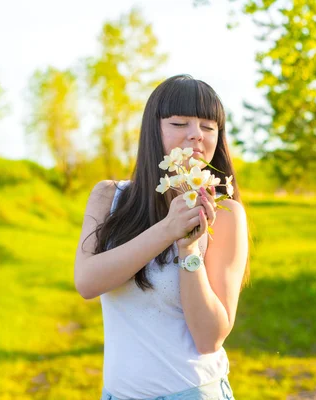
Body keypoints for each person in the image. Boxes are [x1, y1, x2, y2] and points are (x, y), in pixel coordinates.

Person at [74, 74, 249, 400]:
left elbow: (209, 338)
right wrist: (167, 230)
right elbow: (87, 282)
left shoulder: (226, 216)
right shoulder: (109, 197)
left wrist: (189, 248)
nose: (196, 135)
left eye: (209, 127)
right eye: (180, 123)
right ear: (153, 130)